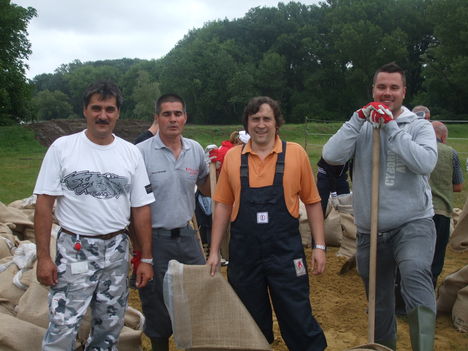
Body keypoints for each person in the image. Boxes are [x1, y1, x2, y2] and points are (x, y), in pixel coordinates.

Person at [322, 62, 438, 351]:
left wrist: (391, 128)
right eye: (381, 87)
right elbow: (331, 155)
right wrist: (357, 119)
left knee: (414, 273)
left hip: (413, 223)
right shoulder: (360, 127)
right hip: (370, 228)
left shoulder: (419, 126)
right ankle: (385, 347)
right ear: (373, 89)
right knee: (378, 298)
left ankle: (423, 347)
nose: (387, 93)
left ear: (404, 91)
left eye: (394, 88)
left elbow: (424, 163)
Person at [34, 80, 155, 350]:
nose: (103, 115)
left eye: (109, 109)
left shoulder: (130, 153)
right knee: (64, 323)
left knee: (110, 325)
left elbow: (141, 209)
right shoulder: (63, 148)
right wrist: (43, 256)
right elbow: (44, 205)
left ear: (118, 113)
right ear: (85, 111)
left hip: (116, 249)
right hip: (76, 247)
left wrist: (144, 257)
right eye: (96, 108)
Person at [207, 96, 327, 351]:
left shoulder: (295, 154)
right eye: (255, 119)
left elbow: (314, 202)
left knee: (297, 314)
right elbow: (223, 206)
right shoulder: (232, 158)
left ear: (277, 123)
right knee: (249, 319)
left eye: (266, 119)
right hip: (244, 254)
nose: (261, 125)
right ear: (247, 124)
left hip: (286, 253)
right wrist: (215, 250)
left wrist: (320, 246)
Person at [136, 93, 210, 351]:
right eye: (166, 114)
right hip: (155, 240)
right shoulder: (140, 153)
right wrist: (141, 251)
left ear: (185, 118)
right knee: (156, 302)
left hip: (188, 237)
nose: (173, 119)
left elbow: (207, 186)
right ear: (157, 118)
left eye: (178, 113)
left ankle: (195, 344)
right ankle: (160, 345)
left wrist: (223, 171)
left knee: (200, 291)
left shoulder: (195, 150)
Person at [429, 121, 464, 287]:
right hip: (441, 211)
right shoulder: (451, 153)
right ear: (443, 136)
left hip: (415, 211)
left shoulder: (414, 149)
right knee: (436, 256)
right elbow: (458, 187)